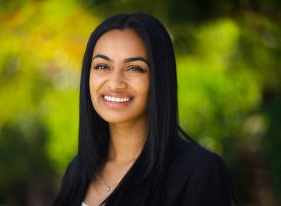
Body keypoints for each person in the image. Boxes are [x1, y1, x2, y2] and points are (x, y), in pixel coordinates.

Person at [52, 13, 235, 206]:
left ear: (159, 79)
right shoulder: (78, 169)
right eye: (102, 66)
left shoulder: (199, 171)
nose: (115, 84)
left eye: (134, 69)